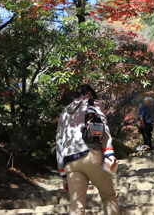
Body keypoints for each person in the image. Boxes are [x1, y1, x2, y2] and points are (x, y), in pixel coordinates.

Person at [55, 84, 120, 215]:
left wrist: (63, 175)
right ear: (89, 94)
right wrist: (109, 153)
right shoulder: (93, 103)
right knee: (108, 196)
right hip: (91, 154)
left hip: (70, 162)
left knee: (77, 206)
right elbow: (103, 126)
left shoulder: (64, 113)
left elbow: (59, 144)